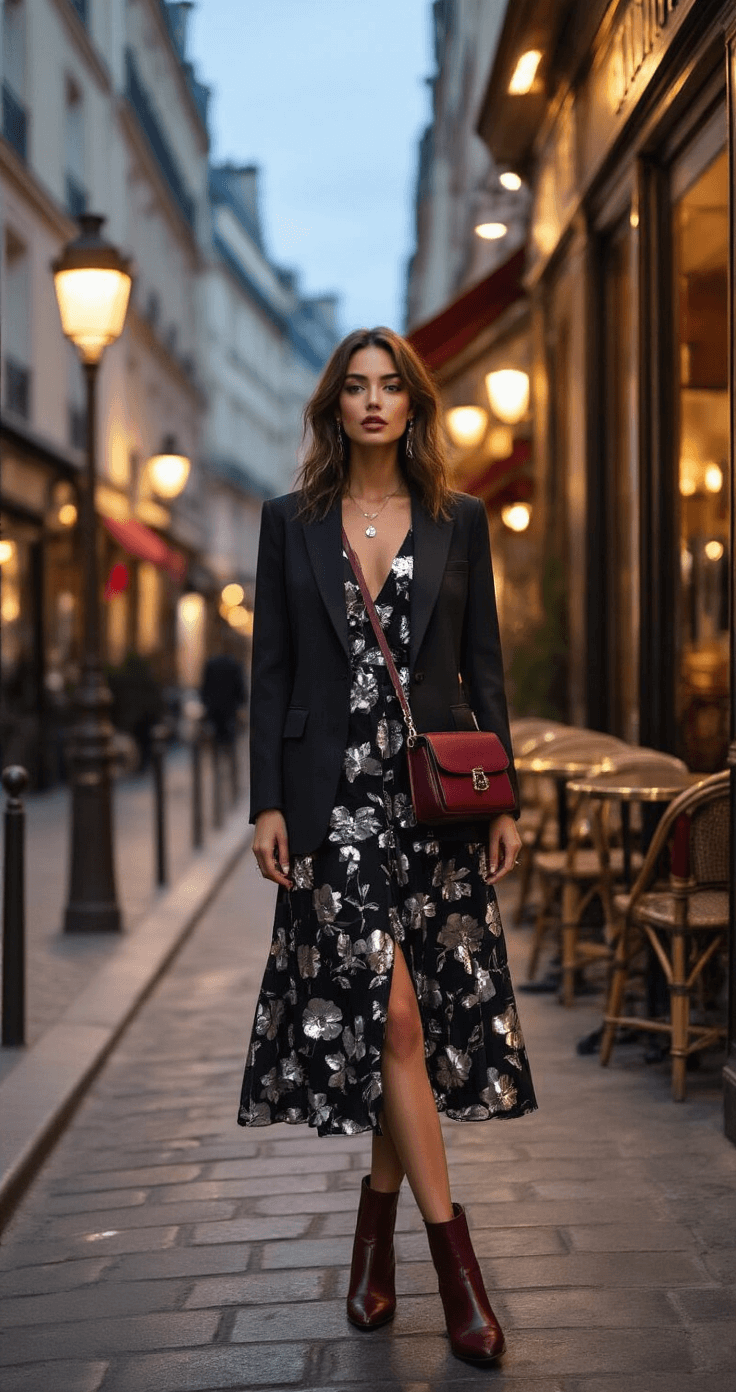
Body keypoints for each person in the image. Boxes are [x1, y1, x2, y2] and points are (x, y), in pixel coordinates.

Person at [239, 327, 536, 1365]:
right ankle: (460, 1273)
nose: (373, 403)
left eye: (390, 388)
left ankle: (373, 1240)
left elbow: (484, 670)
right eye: (356, 388)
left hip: (432, 810)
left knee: (395, 1033)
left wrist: (503, 799)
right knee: (396, 1019)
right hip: (332, 812)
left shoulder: (461, 522)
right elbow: (269, 672)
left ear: (412, 406)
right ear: (336, 407)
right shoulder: (292, 524)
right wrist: (265, 803)